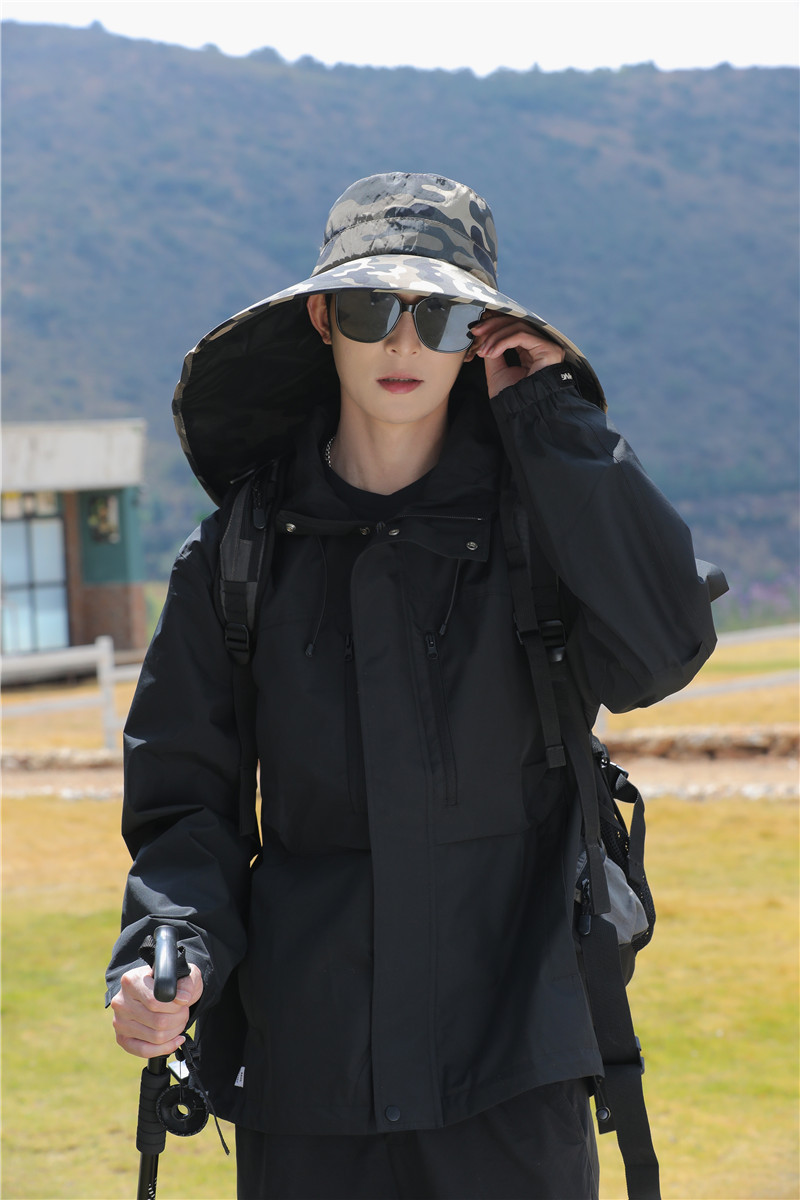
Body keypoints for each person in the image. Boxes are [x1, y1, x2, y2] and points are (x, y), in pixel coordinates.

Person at [107, 172, 725, 1200]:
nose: (402, 343)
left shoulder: (541, 535)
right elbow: (186, 806)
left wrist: (552, 422)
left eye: (437, 315)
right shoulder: (232, 559)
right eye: (370, 310)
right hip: (308, 1080)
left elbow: (664, 646)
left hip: (512, 1070)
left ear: (478, 333)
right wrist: (167, 942)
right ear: (323, 321)